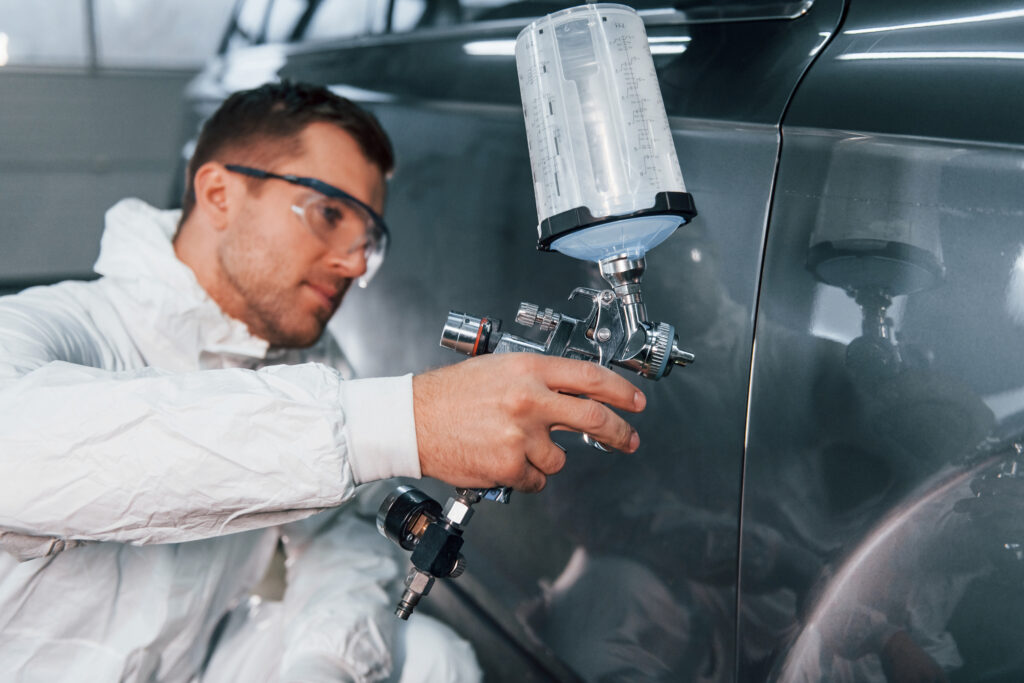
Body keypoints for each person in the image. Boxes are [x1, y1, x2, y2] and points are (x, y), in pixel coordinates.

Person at [0, 81, 645, 682]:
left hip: (190, 669)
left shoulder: (300, 362)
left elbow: (343, 534)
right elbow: (22, 452)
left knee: (425, 659)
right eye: (330, 214)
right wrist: (402, 421)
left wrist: (324, 661)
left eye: (370, 238)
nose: (355, 262)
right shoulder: (53, 326)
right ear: (220, 193)